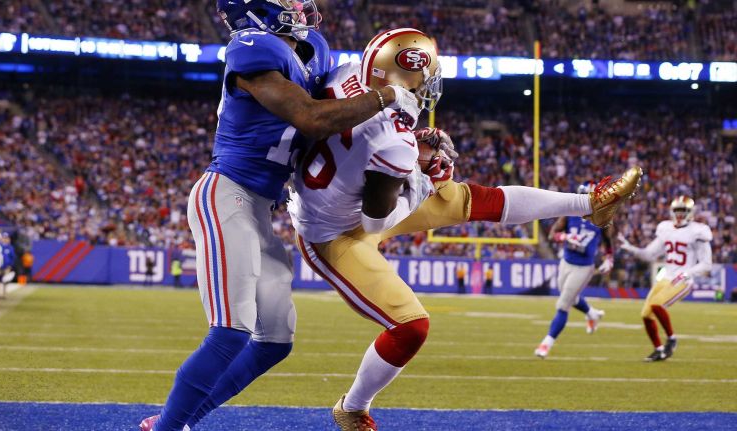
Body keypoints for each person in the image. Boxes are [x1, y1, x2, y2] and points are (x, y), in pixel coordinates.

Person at [289, 28, 642, 430]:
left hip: (338, 198)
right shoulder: (394, 142)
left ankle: (590, 204)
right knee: (410, 327)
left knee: (470, 199)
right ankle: (352, 408)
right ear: (409, 72)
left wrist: (413, 148)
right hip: (335, 233)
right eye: (428, 72)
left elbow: (357, 138)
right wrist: (418, 178)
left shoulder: (346, 75)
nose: (431, 81)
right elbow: (376, 221)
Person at [140, 0, 422, 429]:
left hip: (260, 208)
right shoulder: (251, 46)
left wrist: (413, 139)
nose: (297, 3)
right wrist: (386, 96)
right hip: (227, 194)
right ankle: (169, 427)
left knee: (273, 341)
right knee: (230, 332)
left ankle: (177, 420)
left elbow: (345, 115)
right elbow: (310, 118)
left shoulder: (312, 51)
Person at [619, 196, 713, 362]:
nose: (679, 214)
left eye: (683, 211)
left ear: (690, 212)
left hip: (682, 279)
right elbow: (649, 254)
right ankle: (659, 350)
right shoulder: (666, 228)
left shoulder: (698, 231)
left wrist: (688, 273)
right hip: (666, 277)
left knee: (657, 305)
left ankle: (672, 339)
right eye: (677, 210)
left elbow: (706, 264)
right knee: (646, 314)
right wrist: (631, 248)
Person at [534, 182, 614, 359]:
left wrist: (609, 259)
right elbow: (552, 233)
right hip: (566, 261)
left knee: (563, 304)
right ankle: (592, 314)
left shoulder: (603, 219)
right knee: (569, 296)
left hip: (583, 268)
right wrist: (566, 236)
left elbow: (608, 243)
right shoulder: (570, 214)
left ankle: (546, 344)